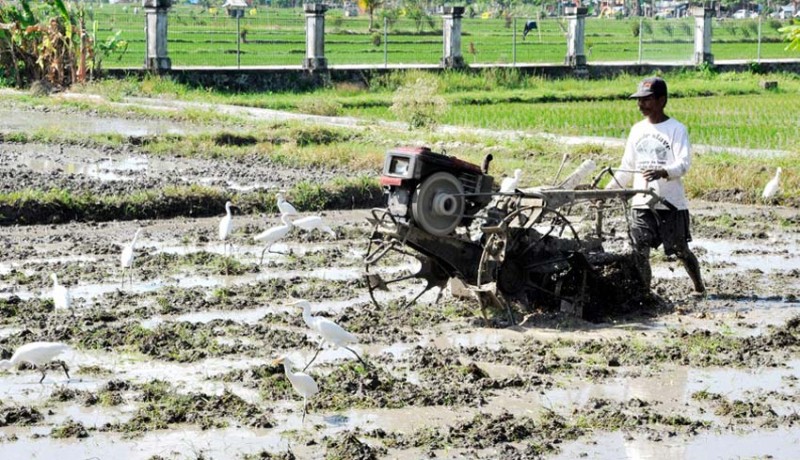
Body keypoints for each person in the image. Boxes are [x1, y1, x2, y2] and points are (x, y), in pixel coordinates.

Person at [606, 76, 705, 296]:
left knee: (681, 250)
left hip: (670, 202)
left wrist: (664, 172)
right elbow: (627, 167)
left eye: (647, 100)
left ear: (662, 100)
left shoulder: (676, 129)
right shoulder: (636, 130)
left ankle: (699, 286)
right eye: (639, 100)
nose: (641, 105)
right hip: (641, 202)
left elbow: (684, 163)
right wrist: (607, 190)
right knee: (639, 250)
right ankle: (645, 292)